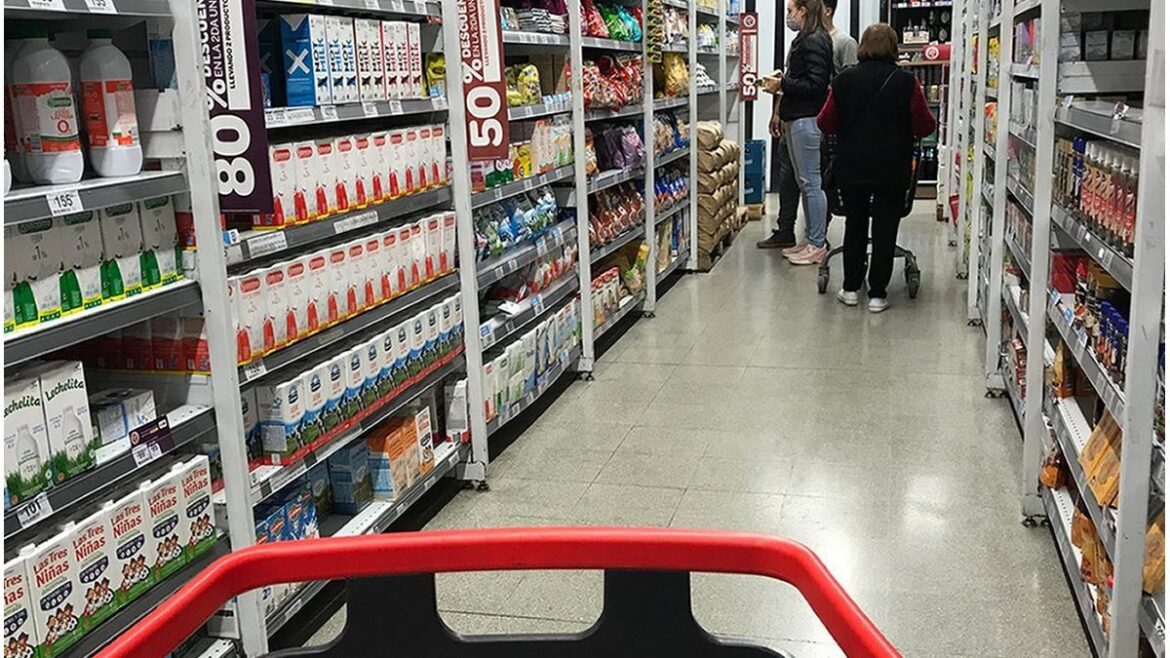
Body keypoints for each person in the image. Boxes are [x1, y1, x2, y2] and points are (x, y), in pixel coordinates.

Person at [816, 23, 937, 312]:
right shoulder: (907, 82)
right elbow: (924, 126)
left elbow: (825, 122)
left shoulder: (844, 80)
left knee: (855, 224)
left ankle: (850, 288)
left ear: (863, 46)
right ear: (893, 48)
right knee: (886, 228)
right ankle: (878, 294)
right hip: (892, 169)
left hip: (852, 168)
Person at [758, 0, 855, 251]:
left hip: (807, 118)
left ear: (803, 11)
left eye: (790, 11)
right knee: (805, 182)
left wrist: (782, 85)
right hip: (797, 116)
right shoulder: (806, 39)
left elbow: (816, 84)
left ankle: (816, 243)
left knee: (811, 183)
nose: (788, 16)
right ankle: (810, 240)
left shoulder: (815, 40)